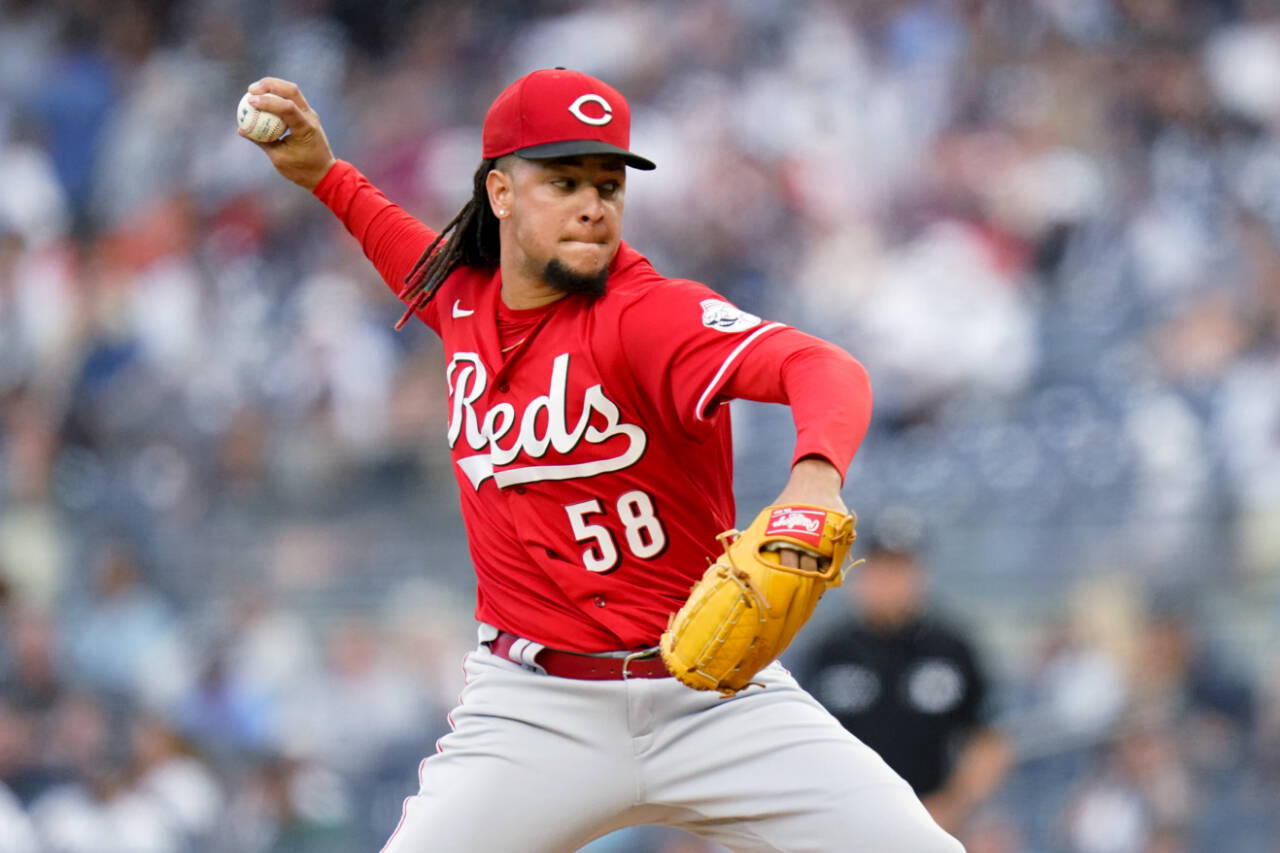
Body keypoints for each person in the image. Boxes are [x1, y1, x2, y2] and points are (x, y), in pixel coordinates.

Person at [242, 67, 963, 852]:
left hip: (713, 695)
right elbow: (404, 249)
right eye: (564, 180)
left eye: (608, 183)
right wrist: (324, 174)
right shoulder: (462, 299)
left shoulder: (650, 315)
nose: (594, 203)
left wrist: (814, 476)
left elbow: (825, 368)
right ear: (501, 192)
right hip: (532, 709)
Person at [800, 531, 1013, 836]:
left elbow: (990, 740)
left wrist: (952, 806)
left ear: (921, 574)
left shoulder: (951, 647)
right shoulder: (829, 650)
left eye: (900, 569)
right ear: (860, 574)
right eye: (880, 568)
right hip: (846, 821)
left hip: (933, 820)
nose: (889, 580)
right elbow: (803, 741)